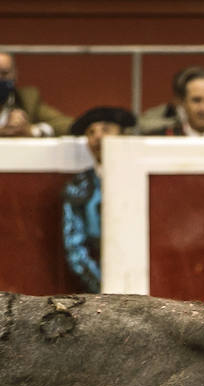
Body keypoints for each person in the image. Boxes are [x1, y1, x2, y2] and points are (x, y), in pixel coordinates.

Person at [62, 106, 136, 293]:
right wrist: (104, 288)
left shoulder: (138, 179)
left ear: (123, 135)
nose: (97, 137)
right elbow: (75, 248)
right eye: (91, 132)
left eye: (106, 129)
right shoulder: (79, 186)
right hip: (99, 284)